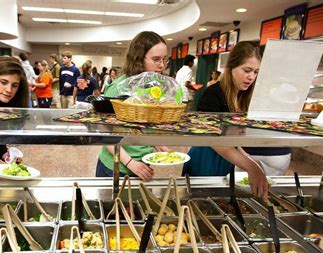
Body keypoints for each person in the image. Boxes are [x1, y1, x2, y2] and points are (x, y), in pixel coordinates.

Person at [183, 41, 285, 201]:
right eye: (247, 70)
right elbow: (216, 142)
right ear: (231, 68)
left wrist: (251, 162)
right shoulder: (213, 94)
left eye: (256, 72)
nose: (251, 77)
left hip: (228, 159)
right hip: (206, 159)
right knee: (202, 204)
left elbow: (233, 139)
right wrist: (251, 167)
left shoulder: (243, 96)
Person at [97, 31, 170, 181]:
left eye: (164, 59)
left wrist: (156, 143)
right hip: (115, 167)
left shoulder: (152, 87)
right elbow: (104, 133)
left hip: (143, 165)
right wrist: (131, 163)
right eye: (156, 59)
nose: (161, 65)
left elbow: (143, 126)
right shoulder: (118, 87)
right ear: (138, 59)